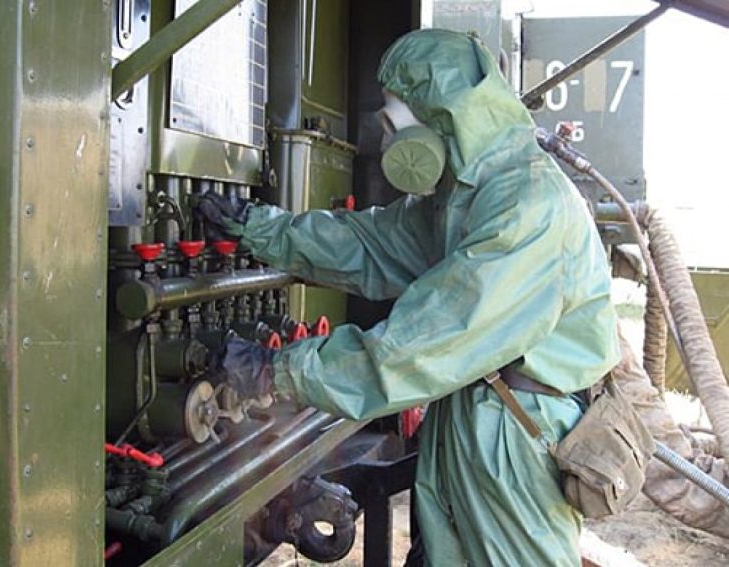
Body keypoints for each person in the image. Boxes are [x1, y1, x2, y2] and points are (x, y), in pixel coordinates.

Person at [199, 29, 620, 566]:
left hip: (513, 434)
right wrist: (260, 229)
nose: (388, 138)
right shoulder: (471, 195)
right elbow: (372, 245)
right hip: (478, 412)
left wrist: (277, 371)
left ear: (443, 117)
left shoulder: (526, 205)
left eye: (395, 120)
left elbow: (427, 343)